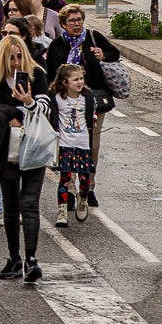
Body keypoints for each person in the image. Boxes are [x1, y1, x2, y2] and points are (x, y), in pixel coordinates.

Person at [0, 33, 50, 284]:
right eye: (11, 58)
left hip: (33, 145)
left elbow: (45, 108)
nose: (16, 62)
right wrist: (11, 110)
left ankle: (31, 259)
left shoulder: (36, 75)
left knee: (30, 203)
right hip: (6, 150)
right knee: (11, 205)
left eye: (20, 56)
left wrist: (28, 102)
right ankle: (14, 257)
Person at [45, 4, 122, 206]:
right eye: (71, 21)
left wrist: (102, 55)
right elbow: (50, 74)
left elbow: (115, 54)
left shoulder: (93, 37)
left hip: (92, 100)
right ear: (63, 24)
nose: (76, 24)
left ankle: (88, 187)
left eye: (79, 20)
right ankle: (69, 189)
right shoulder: (57, 46)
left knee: (91, 146)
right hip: (65, 103)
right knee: (68, 146)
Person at [49, 60, 110, 226]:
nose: (80, 82)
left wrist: (94, 118)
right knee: (65, 179)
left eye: (81, 78)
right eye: (75, 79)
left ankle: (82, 198)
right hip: (65, 144)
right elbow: (51, 116)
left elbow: (94, 111)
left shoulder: (87, 97)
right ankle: (62, 211)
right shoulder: (56, 99)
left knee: (85, 179)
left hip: (82, 144)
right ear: (64, 82)